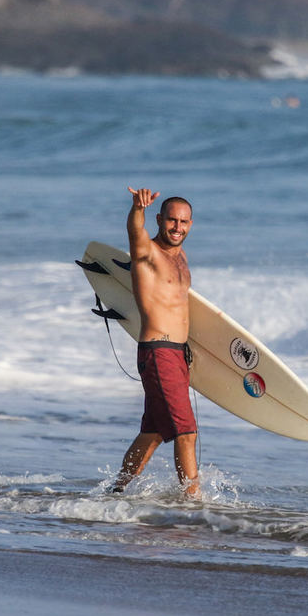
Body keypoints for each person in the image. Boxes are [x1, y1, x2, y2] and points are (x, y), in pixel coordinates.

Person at [110, 186, 200, 499]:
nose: (177, 227)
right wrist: (138, 208)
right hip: (158, 351)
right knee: (186, 432)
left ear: (191, 225)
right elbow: (135, 230)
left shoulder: (182, 257)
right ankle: (194, 503)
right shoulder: (147, 252)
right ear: (160, 219)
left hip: (177, 354)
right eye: (172, 221)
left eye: (184, 222)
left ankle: (117, 490)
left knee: (154, 431)